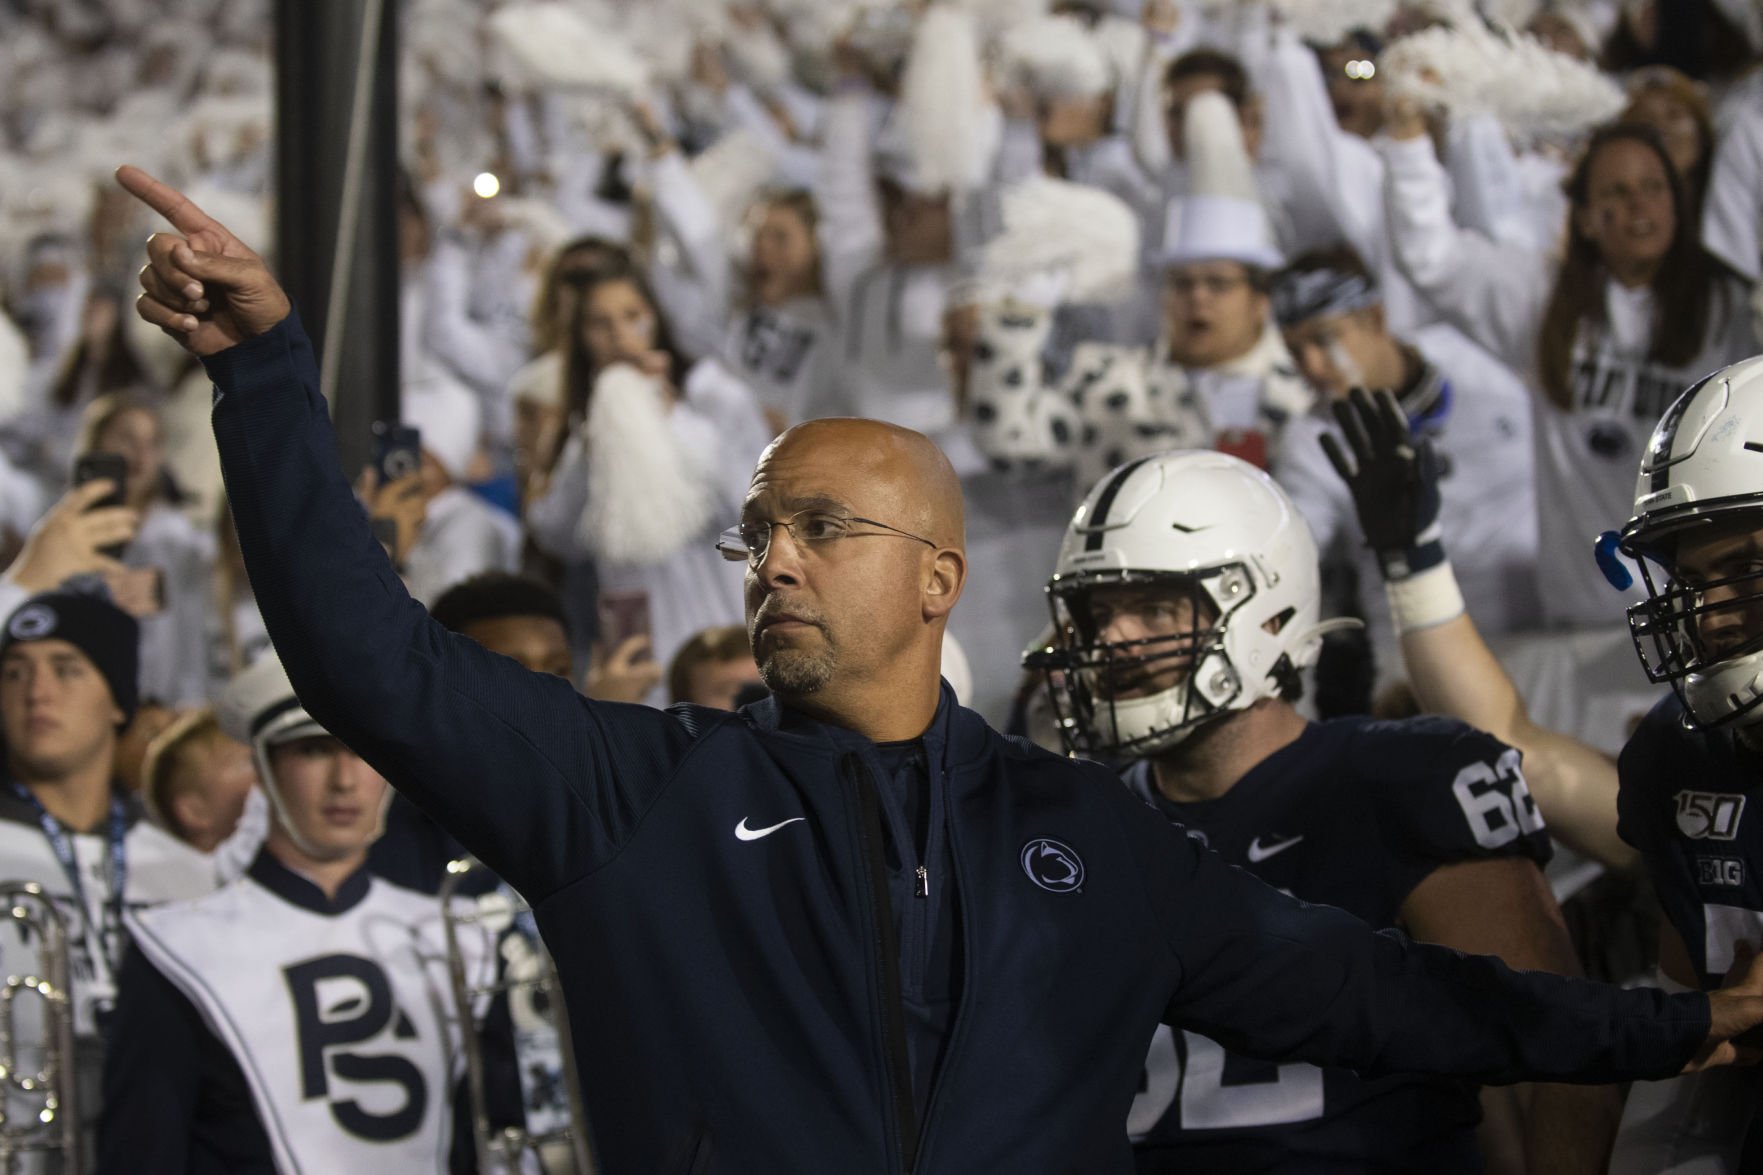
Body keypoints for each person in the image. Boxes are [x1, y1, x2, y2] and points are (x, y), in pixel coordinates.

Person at [118, 166, 1763, 1174]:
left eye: (815, 527)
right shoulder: (636, 790)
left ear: (935, 581)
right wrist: (266, 372)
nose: (766, 558)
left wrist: (1641, 1028)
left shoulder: (1095, 835)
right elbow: (366, 657)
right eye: (756, 530)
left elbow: (1378, 994)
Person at [1029, 450, 1617, 1172]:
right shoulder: (1078, 816)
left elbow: (1560, 1053)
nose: (1112, 640)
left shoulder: (1395, 781)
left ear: (1266, 610)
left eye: (1152, 606)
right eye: (1097, 613)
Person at [99, 651, 491, 1173]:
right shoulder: (175, 946)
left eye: (363, 751)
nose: (346, 780)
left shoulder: (460, 938)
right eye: (313, 750)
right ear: (263, 768)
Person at [1612, 356, 1763, 1164]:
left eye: (1744, 569)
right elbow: (1690, 989)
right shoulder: (1674, 752)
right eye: (1694, 581)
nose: (1709, 617)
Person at [0, 587, 216, 1150]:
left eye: (66, 669)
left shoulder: (186, 871)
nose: (37, 692)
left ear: (119, 702)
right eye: (15, 673)